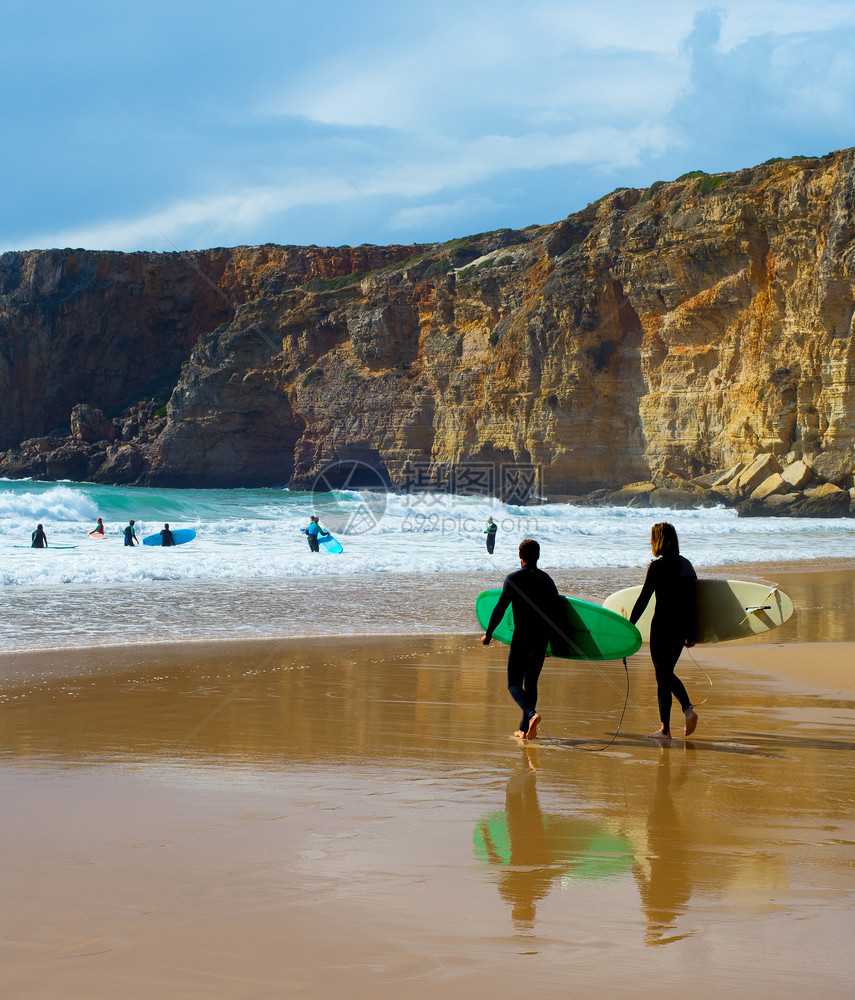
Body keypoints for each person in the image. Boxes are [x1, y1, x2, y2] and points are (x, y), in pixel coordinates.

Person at [481, 537, 559, 739]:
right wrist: (550, 644)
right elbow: (556, 614)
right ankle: (525, 729)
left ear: (520, 556)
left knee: (513, 684)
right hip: (541, 638)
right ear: (538, 556)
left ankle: (532, 715)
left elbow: (499, 609)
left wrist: (488, 634)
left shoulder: (514, 579)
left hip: (522, 637)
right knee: (531, 683)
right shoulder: (547, 580)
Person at [630, 522, 699, 740]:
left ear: (657, 540)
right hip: (680, 628)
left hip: (661, 626)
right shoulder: (687, 565)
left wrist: (629, 625)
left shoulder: (657, 568)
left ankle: (684, 713)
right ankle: (667, 728)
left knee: (663, 674)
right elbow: (693, 603)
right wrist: (692, 632)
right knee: (665, 674)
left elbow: (643, 599)